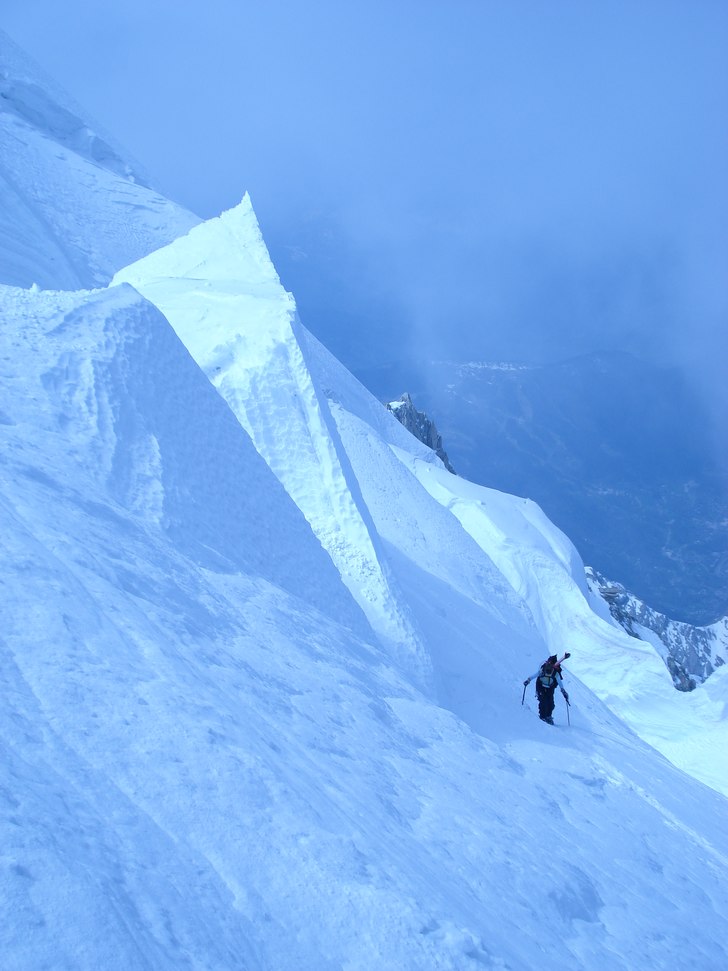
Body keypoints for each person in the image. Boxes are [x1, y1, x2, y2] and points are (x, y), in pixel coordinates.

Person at [523, 654, 569, 724]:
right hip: (540, 686)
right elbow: (535, 675)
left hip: (550, 687)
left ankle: (548, 716)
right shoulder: (542, 671)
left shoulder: (555, 673)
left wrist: (563, 691)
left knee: (551, 703)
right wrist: (528, 680)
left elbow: (559, 682)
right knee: (543, 700)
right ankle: (542, 716)